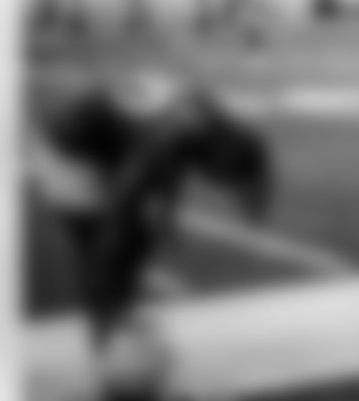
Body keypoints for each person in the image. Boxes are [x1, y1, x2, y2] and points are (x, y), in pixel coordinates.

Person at [30, 72, 273, 401]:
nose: (216, 182)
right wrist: (114, 261)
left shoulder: (203, 122)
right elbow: (128, 201)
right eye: (223, 178)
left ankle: (120, 352)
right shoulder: (176, 134)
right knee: (108, 259)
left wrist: (165, 220)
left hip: (97, 151)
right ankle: (119, 373)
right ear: (220, 159)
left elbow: (171, 168)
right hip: (69, 158)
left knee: (126, 255)